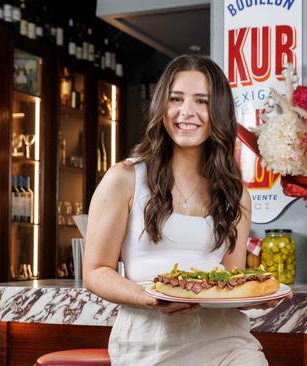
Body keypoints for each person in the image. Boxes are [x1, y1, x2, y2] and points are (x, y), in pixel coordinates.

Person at [83, 55, 273, 365]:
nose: (187, 112)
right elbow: (95, 272)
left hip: (227, 342)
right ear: (162, 107)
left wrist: (260, 296)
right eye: (176, 99)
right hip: (150, 343)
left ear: (219, 112)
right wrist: (149, 298)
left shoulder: (236, 196)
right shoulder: (125, 178)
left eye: (202, 101)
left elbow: (232, 281)